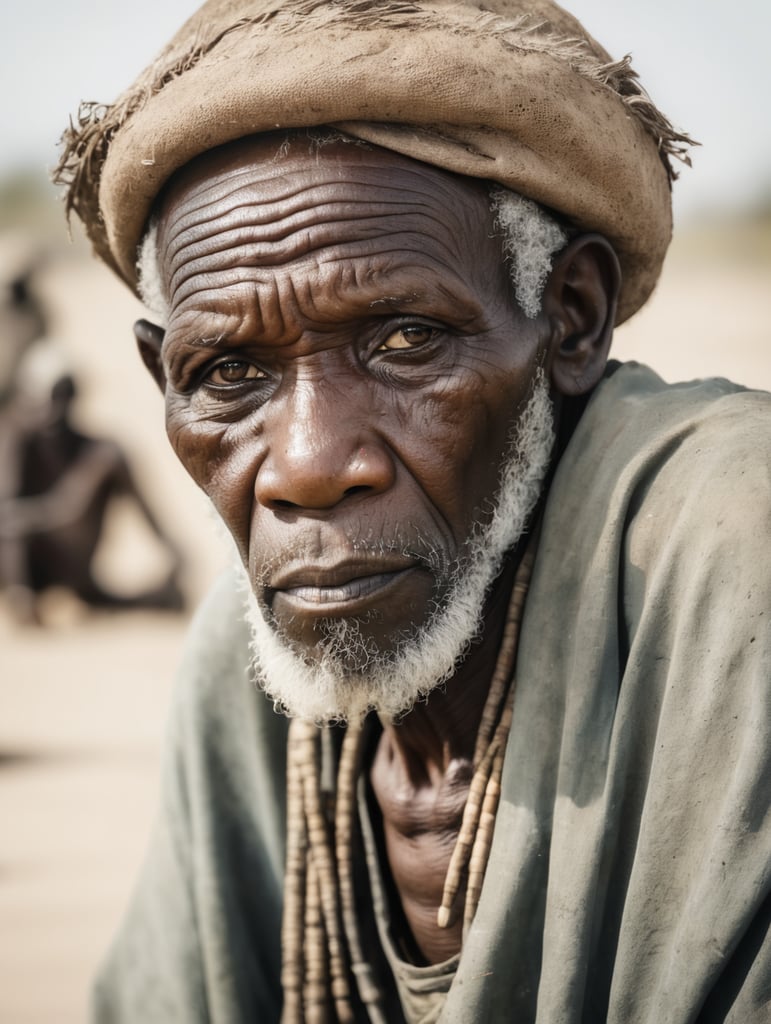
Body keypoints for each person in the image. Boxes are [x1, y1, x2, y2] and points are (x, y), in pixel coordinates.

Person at [55, 0, 769, 1020]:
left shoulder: (735, 536)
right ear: (156, 379)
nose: (304, 467)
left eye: (403, 341)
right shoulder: (244, 674)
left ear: (570, 318)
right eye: (227, 371)